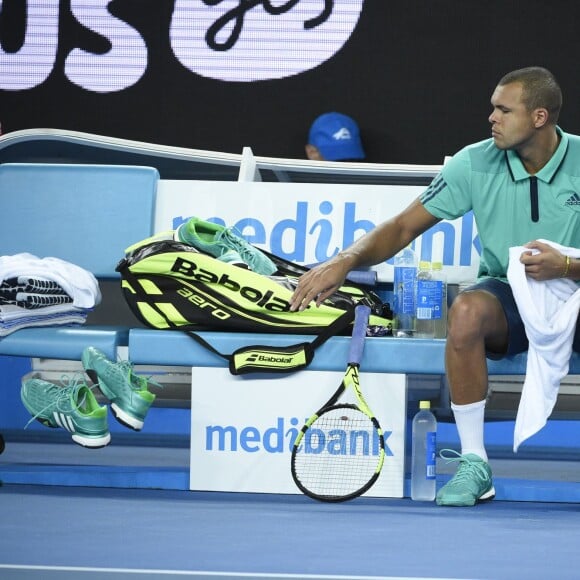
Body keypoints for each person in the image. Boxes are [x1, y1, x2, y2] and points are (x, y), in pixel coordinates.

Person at [290, 66, 580, 507]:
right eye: (492, 108)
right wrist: (345, 260)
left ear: (540, 117)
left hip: (575, 289)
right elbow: (403, 226)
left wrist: (569, 265)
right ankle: (474, 464)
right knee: (466, 311)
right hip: (511, 295)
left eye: (504, 109)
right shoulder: (474, 161)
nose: (492, 118)